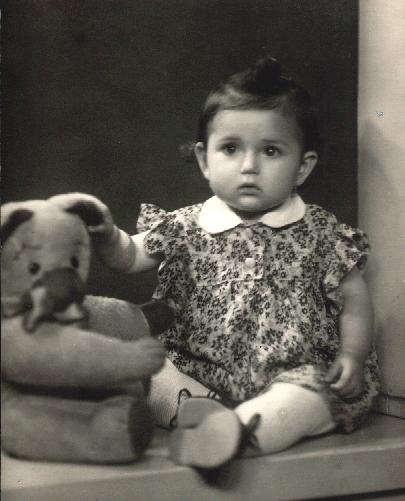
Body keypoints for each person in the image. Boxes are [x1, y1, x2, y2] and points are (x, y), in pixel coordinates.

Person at [60, 56, 380, 469]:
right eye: (230, 148)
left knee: (312, 393)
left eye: (270, 151)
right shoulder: (185, 225)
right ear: (204, 160)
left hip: (292, 370)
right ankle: (198, 412)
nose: (249, 167)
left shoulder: (320, 231)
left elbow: (354, 300)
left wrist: (352, 354)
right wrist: (107, 237)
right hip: (196, 369)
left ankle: (241, 430)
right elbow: (130, 256)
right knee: (148, 368)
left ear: (302, 167)